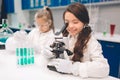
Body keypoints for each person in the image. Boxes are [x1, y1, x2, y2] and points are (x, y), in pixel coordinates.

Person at [43, 3, 110, 78]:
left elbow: (104, 69)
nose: (70, 26)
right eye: (67, 22)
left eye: (75, 22)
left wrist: (73, 67)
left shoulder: (91, 42)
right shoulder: (64, 36)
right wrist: (49, 54)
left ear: (84, 23)